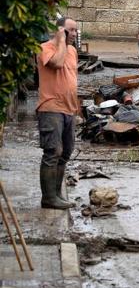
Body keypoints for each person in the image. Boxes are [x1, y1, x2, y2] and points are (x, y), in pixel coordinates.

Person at [36, 17, 79, 210]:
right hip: (51, 107)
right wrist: (61, 41)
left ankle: (57, 194)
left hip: (69, 109)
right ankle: (48, 198)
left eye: (76, 31)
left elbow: (72, 79)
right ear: (60, 31)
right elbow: (57, 64)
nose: (75, 34)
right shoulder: (45, 48)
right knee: (53, 151)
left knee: (66, 152)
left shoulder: (72, 51)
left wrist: (76, 109)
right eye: (71, 30)